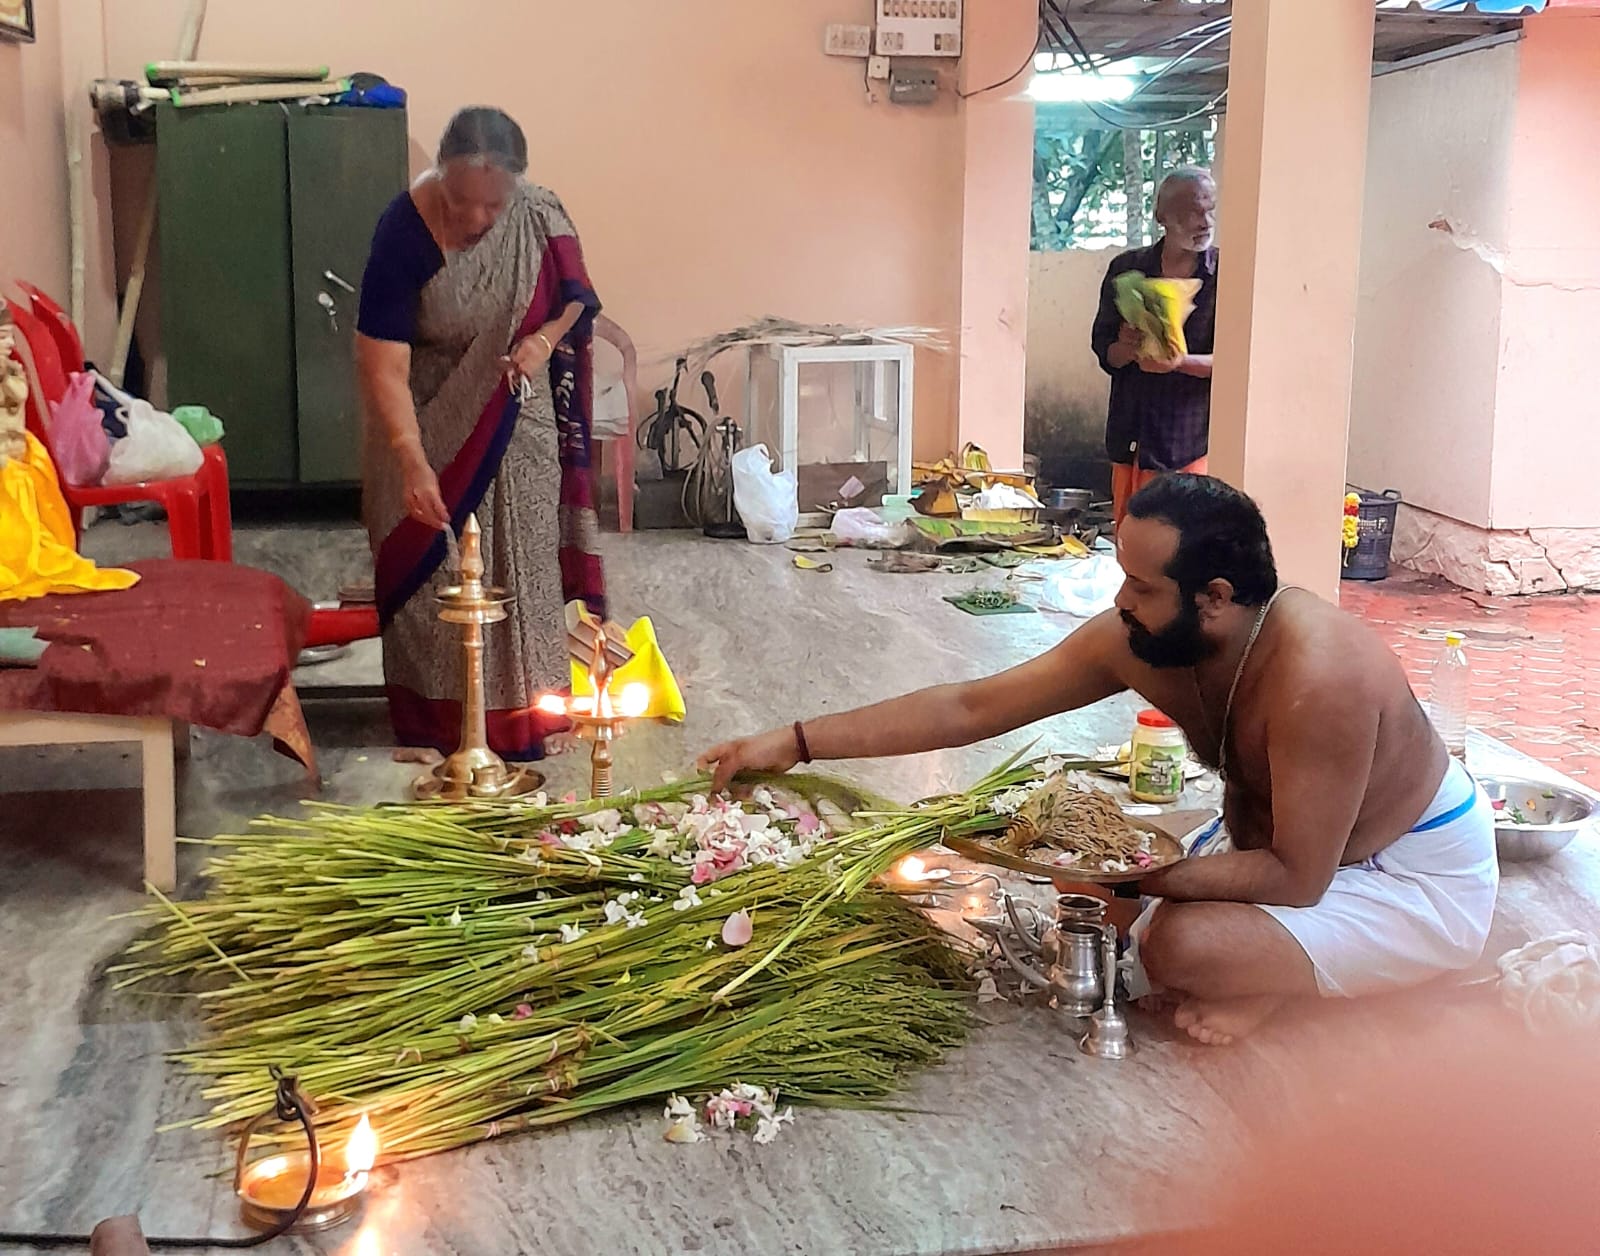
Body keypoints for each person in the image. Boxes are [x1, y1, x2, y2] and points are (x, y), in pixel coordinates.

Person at [700, 475, 1498, 1045]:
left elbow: (1298, 877)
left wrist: (1137, 876)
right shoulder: (1144, 637)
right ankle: (1269, 964)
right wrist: (795, 741)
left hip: (1403, 871)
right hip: (1273, 846)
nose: (1121, 602)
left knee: (1178, 947)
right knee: (1085, 899)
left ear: (1215, 597)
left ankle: (1275, 982)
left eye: (1142, 587)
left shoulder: (1320, 679)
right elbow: (971, 707)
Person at [356, 106, 605, 762]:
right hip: (422, 419)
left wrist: (542, 341)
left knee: (524, 567)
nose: (475, 218)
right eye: (460, 201)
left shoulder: (537, 215)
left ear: (516, 189)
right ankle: (440, 728)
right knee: (430, 576)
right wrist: (411, 460)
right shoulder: (402, 232)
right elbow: (383, 365)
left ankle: (529, 718)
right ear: (439, 175)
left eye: (492, 206)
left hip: (517, 417)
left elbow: (576, 297)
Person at [1091, 167, 1218, 531]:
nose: (1205, 222)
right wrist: (1127, 348)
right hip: (1130, 436)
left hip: (1187, 443)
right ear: (1162, 216)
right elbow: (1104, 349)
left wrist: (1178, 362)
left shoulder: (1225, 275)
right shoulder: (1127, 269)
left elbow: (1239, 363)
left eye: (1210, 210)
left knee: (1179, 548)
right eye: (1192, 212)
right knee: (1129, 541)